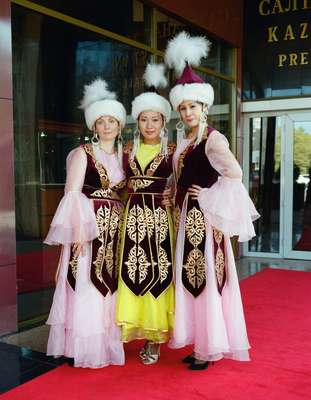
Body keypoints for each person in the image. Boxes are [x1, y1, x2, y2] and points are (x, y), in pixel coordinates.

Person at [164, 31, 260, 370]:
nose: (188, 112)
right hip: (185, 222)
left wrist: (207, 195)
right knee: (191, 281)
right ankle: (201, 343)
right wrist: (170, 192)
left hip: (204, 223)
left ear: (205, 106)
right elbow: (180, 177)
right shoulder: (185, 140)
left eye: (193, 106)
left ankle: (209, 348)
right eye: (184, 107)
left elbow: (235, 175)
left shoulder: (213, 139)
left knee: (205, 278)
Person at [44, 79, 127, 368]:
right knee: (85, 283)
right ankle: (80, 348)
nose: (106, 126)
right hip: (88, 229)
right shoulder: (82, 154)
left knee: (107, 284)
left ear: (119, 125)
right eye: (101, 121)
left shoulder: (123, 157)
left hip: (114, 232)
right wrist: (78, 232)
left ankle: (105, 344)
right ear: (94, 126)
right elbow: (73, 194)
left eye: (112, 121)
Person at [116, 63, 175, 365]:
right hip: (132, 218)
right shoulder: (126, 150)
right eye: (143, 119)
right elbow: (117, 185)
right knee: (131, 271)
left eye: (155, 119)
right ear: (136, 122)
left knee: (158, 271)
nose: (149, 124)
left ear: (164, 121)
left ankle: (155, 339)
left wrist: (174, 194)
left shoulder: (173, 150)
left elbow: (183, 181)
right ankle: (130, 332)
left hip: (161, 221)